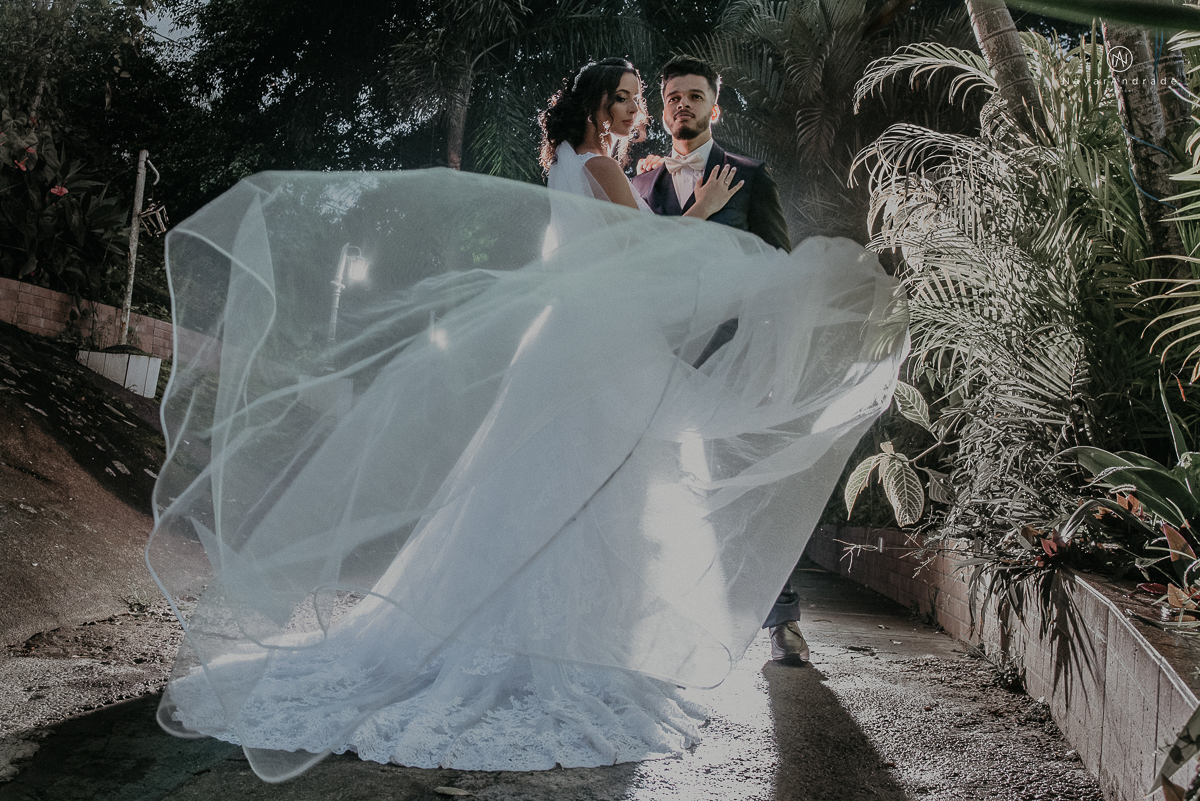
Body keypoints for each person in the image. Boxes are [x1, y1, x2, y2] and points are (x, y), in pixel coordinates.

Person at [148, 57, 905, 782]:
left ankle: (532, 629)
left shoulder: (571, 166)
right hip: (601, 347)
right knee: (596, 485)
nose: (642, 111)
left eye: (646, 98)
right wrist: (701, 211)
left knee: (551, 481)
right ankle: (564, 650)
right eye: (629, 99)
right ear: (595, 108)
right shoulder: (605, 167)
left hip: (579, 342)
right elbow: (644, 250)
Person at [630, 57, 808, 666]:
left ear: (715, 108)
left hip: (733, 358)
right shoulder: (641, 183)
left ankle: (781, 621)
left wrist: (771, 355)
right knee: (652, 486)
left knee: (745, 478)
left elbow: (781, 268)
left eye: (695, 96)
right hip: (659, 358)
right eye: (674, 96)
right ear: (663, 108)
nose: (683, 104)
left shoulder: (750, 176)